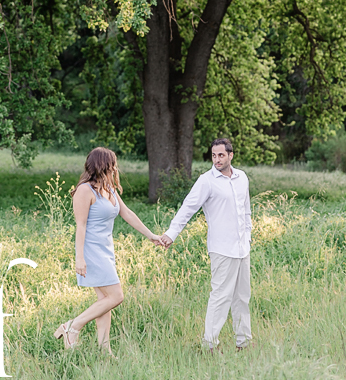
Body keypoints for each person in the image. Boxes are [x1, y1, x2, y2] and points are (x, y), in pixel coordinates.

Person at [54, 147, 165, 353]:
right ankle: (72, 326)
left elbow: (127, 213)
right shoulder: (85, 190)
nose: (116, 167)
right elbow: (81, 226)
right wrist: (79, 258)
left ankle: (105, 351)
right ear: (103, 164)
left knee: (105, 302)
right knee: (116, 296)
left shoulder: (109, 189)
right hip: (91, 251)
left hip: (106, 250)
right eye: (113, 163)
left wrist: (151, 236)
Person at [159, 138, 252, 352]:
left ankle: (244, 342)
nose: (217, 159)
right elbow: (188, 207)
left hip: (242, 248)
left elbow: (246, 210)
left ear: (231, 155)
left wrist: (248, 234)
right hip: (221, 248)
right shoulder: (206, 181)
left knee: (242, 297)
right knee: (220, 297)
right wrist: (171, 234)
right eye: (213, 155)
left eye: (221, 155)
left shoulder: (242, 178)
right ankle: (209, 344)